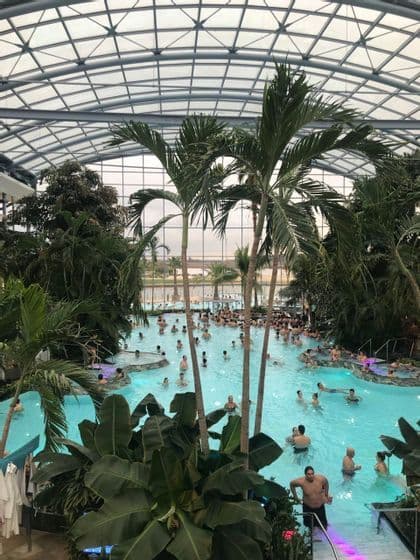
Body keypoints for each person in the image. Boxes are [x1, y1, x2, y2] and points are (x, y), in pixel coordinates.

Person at [290, 466, 332, 532]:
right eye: (309, 474)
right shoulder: (301, 481)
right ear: (305, 475)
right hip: (308, 507)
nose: (311, 476)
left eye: (312, 474)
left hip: (320, 507)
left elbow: (326, 482)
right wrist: (296, 497)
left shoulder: (320, 479)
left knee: (324, 526)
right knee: (310, 527)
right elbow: (292, 484)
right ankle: (312, 537)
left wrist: (326, 494)